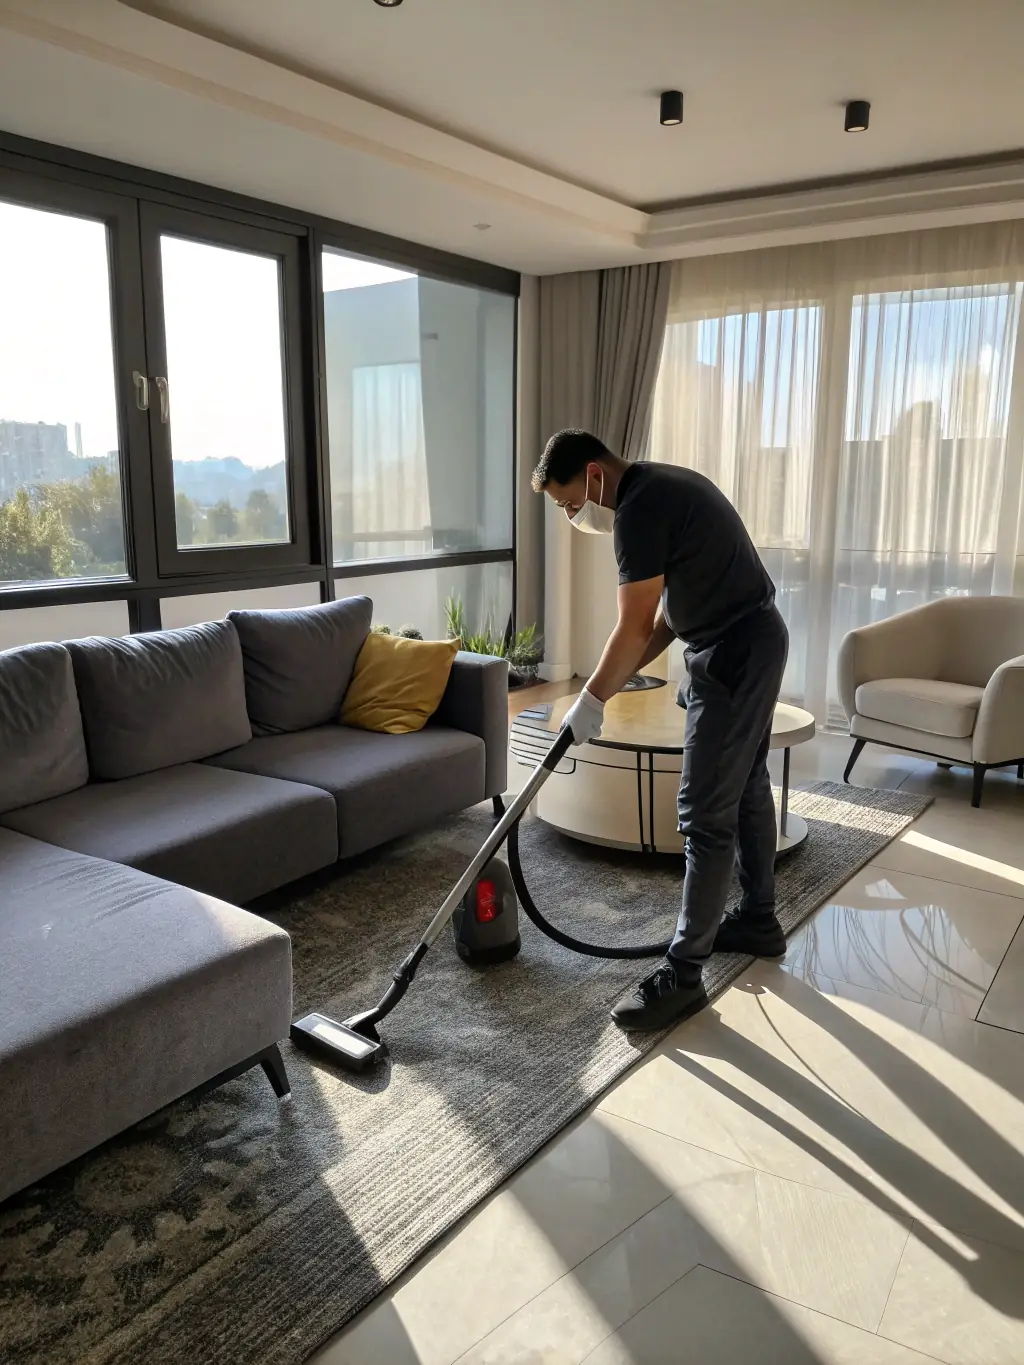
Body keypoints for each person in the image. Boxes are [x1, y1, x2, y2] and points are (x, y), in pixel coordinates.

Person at [532, 429, 789, 1031]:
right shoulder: (663, 483)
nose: (573, 516)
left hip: (735, 654)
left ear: (594, 475)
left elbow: (631, 625)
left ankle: (684, 975)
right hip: (744, 640)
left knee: (704, 811)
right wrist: (603, 692)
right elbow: (667, 618)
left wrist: (591, 695)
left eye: (570, 503)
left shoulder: (639, 509)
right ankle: (757, 918)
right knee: (746, 782)